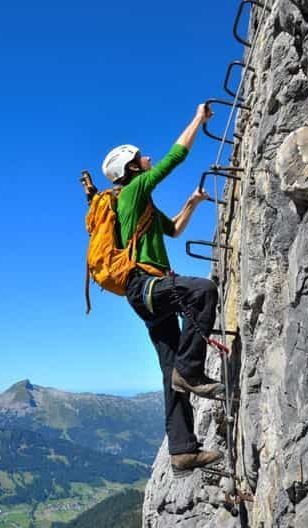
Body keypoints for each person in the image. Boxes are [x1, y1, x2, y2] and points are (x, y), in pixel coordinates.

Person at [101, 103, 224, 472]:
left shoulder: (141, 206)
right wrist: (198, 119)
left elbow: (173, 230)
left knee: (169, 370)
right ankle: (190, 370)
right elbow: (175, 157)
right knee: (203, 291)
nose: (147, 158)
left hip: (147, 295)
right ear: (131, 170)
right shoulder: (133, 192)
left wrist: (192, 203)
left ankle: (183, 451)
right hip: (148, 286)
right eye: (140, 158)